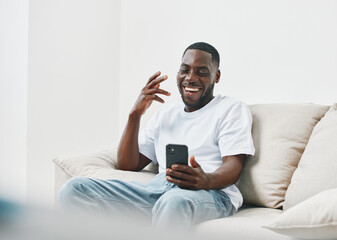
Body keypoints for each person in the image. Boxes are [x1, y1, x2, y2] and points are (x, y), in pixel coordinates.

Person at [58, 42, 255, 228]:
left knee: (173, 202)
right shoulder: (166, 114)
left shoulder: (231, 108)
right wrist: (135, 114)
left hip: (211, 192)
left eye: (202, 72)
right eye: (184, 70)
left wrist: (206, 180)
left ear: (216, 76)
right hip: (159, 189)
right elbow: (128, 164)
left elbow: (233, 166)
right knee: (74, 189)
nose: (190, 78)